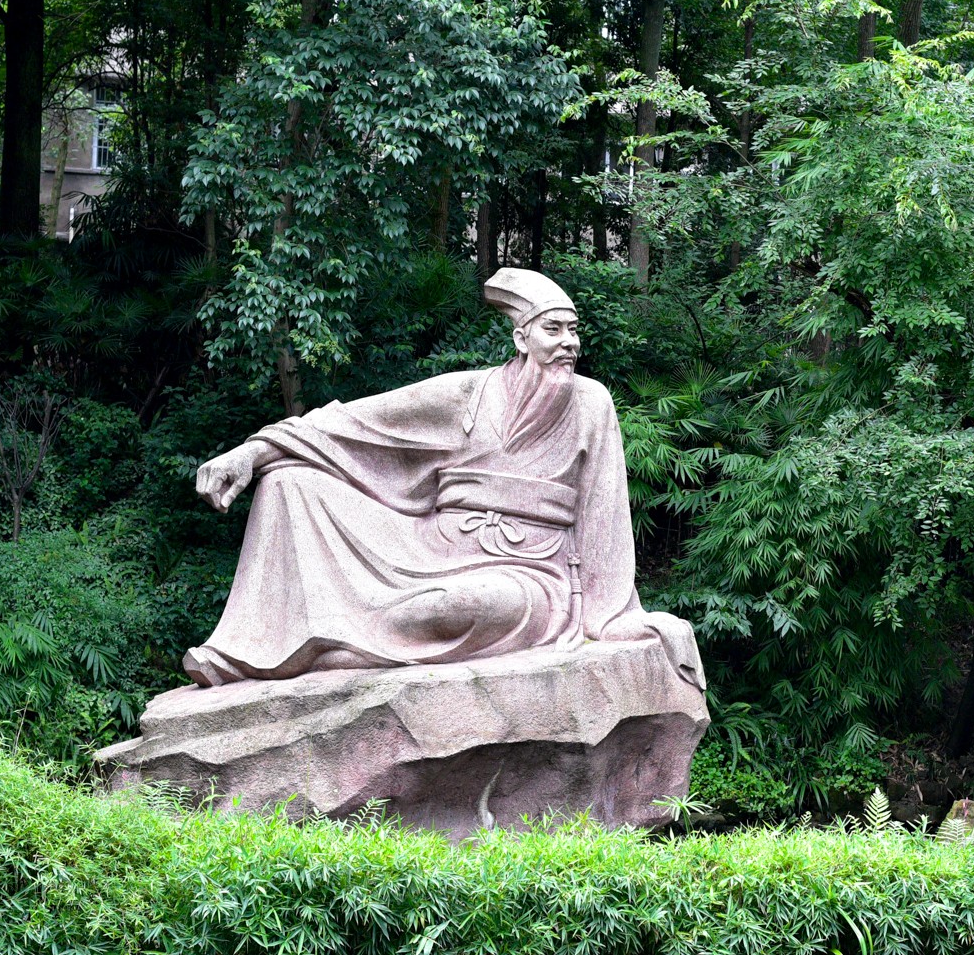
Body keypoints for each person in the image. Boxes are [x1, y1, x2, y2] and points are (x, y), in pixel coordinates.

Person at [183, 269, 701, 689]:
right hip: (432, 547)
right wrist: (250, 454)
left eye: (574, 330)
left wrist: (610, 614)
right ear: (521, 338)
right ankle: (277, 644)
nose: (570, 343)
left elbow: (603, 513)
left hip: (532, 573)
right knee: (290, 483)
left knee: (464, 604)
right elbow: (350, 424)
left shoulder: (592, 403)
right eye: (554, 330)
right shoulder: (467, 394)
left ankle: (338, 648)